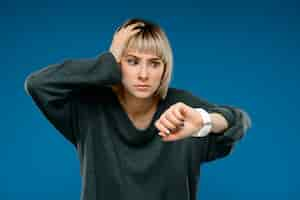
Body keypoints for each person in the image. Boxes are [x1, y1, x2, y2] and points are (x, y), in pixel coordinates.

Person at [24, 18, 251, 200]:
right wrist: (108, 62)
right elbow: (38, 85)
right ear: (117, 63)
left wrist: (204, 121)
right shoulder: (89, 108)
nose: (144, 74)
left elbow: (238, 121)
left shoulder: (181, 108)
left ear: (165, 68)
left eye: (154, 63)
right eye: (132, 61)